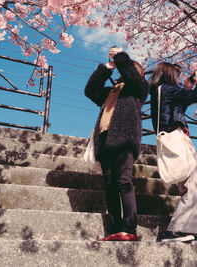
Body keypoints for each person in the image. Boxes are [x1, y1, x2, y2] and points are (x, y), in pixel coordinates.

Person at [149, 62, 197, 242]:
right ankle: (175, 230)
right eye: (177, 74)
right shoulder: (167, 89)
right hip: (177, 139)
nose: (178, 77)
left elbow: (179, 103)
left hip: (177, 139)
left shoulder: (162, 91)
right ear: (169, 74)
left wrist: (186, 86)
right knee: (196, 185)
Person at [84, 47, 148, 241]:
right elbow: (90, 90)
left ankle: (129, 228)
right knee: (110, 186)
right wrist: (107, 67)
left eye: (127, 68)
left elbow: (132, 75)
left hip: (125, 140)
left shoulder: (138, 89)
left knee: (123, 182)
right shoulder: (111, 91)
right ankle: (116, 228)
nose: (123, 71)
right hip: (105, 140)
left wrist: (120, 57)